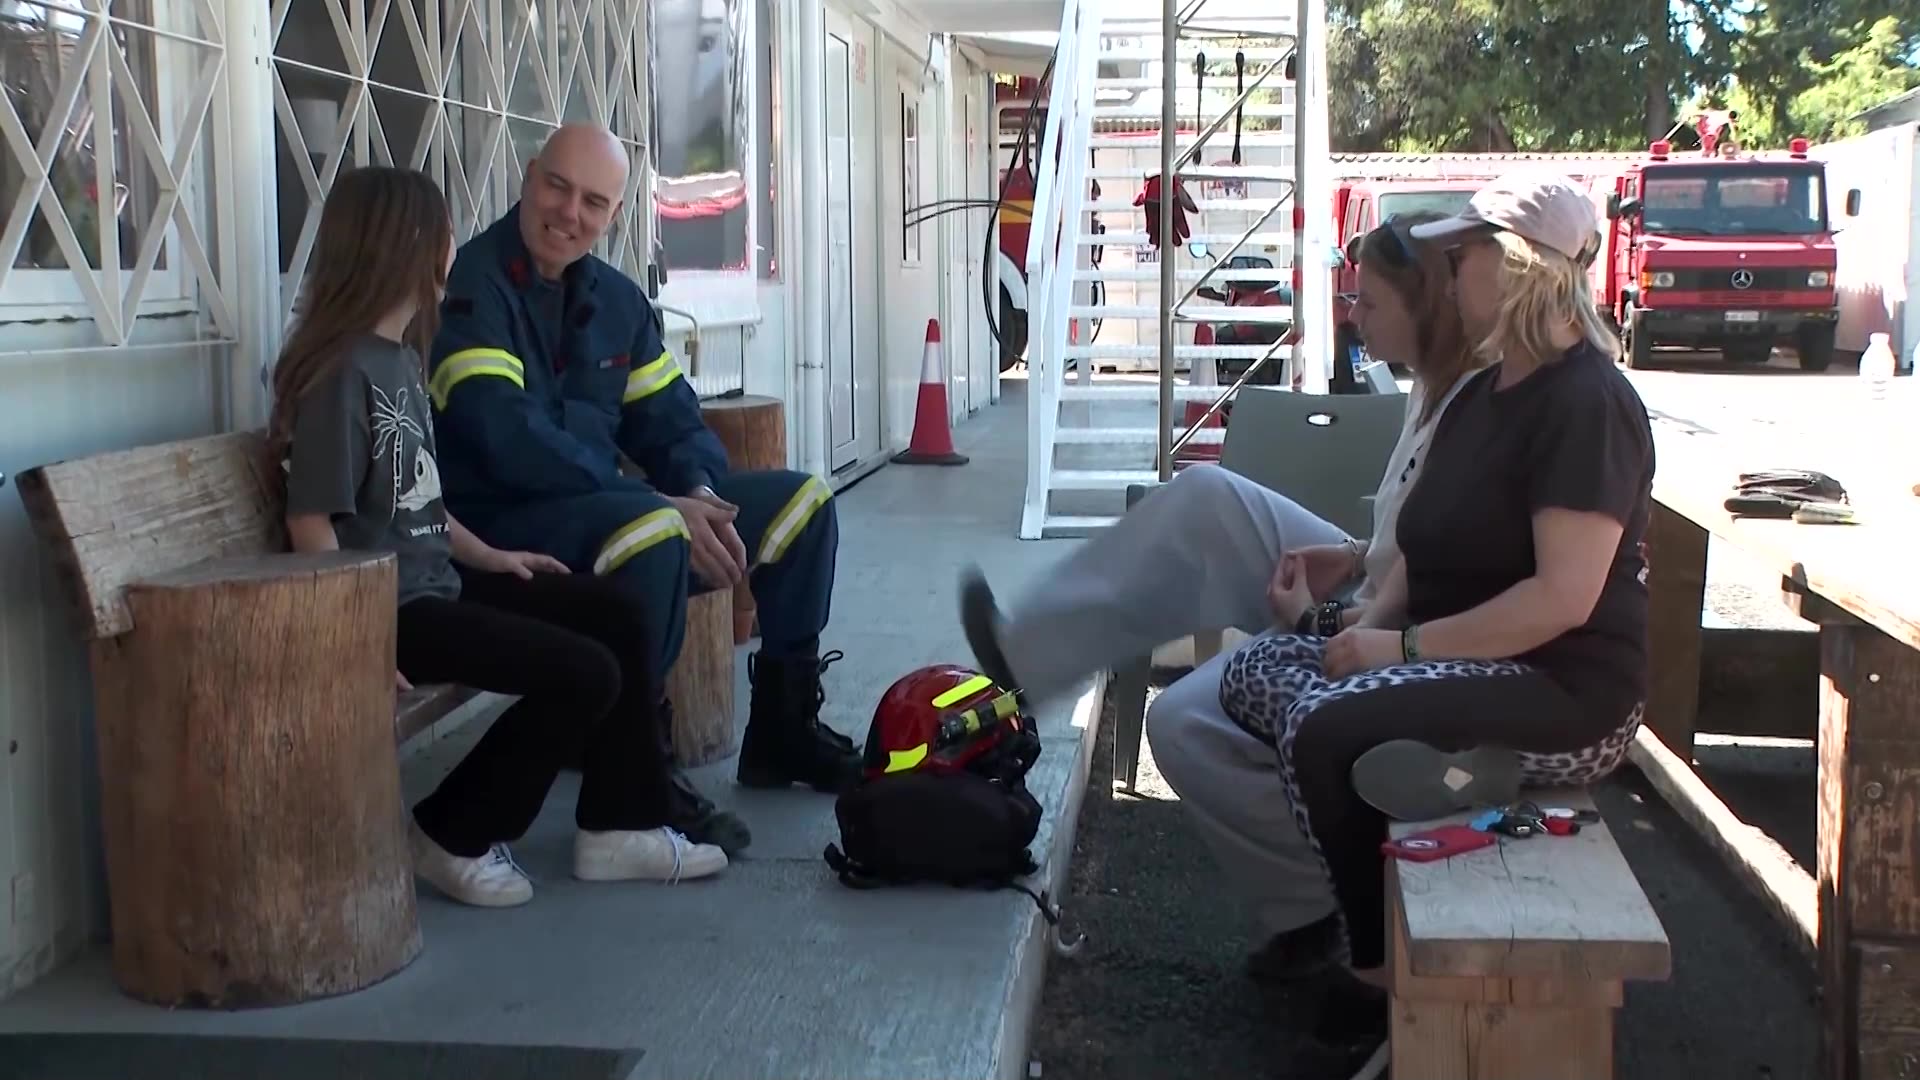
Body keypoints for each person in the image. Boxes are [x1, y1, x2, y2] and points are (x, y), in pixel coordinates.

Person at [957, 211, 1488, 983]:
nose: (1353, 314)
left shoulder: (1479, 400)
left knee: (1180, 721)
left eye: (1371, 303)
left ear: (1425, 306)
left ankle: (1316, 915)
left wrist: (1330, 617)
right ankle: (1028, 659)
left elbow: (1447, 581)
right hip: (1375, 577)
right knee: (1204, 497)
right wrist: (1347, 556)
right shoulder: (1430, 387)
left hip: (1408, 632)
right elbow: (1406, 539)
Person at [1214, 172, 1655, 1047]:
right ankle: (1452, 769)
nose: (1448, 278)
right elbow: (1420, 543)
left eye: (1463, 256)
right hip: (1460, 660)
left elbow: (1562, 600)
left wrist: (1400, 651)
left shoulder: (1588, 405)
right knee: (1257, 671)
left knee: (1324, 728)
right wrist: (1348, 629)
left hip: (1559, 686)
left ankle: (1376, 978)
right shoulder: (1484, 392)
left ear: (1520, 267)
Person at [272, 165, 728, 909]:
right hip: (391, 610)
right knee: (583, 671)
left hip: (439, 582)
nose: (457, 244)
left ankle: (623, 826)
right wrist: (357, 637)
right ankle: (453, 831)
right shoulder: (342, 374)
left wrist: (490, 556)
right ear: (409, 247)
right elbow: (309, 522)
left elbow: (414, 498)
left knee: (615, 612)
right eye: (444, 231)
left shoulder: (398, 361)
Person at [425, 125, 862, 842]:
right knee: (654, 532)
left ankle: (783, 732)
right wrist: (662, 505)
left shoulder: (620, 303)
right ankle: (638, 769)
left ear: (616, 215)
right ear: (529, 176)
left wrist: (701, 493)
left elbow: (675, 425)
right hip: (505, 538)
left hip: (613, 516)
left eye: (593, 202)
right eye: (557, 187)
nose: (570, 213)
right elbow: (506, 442)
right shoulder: (470, 288)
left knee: (803, 502)